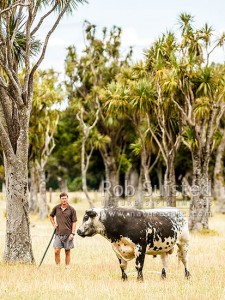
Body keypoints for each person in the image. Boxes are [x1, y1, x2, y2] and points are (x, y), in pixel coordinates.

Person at [49, 192, 77, 267]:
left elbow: (74, 222)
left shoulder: (72, 209)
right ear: (60, 199)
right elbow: (51, 216)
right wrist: (54, 224)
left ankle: (67, 267)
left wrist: (73, 233)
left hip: (68, 234)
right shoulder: (56, 208)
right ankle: (58, 266)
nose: (64, 200)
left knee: (67, 251)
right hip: (58, 233)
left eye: (65, 198)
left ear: (67, 199)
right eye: (62, 198)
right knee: (56, 251)